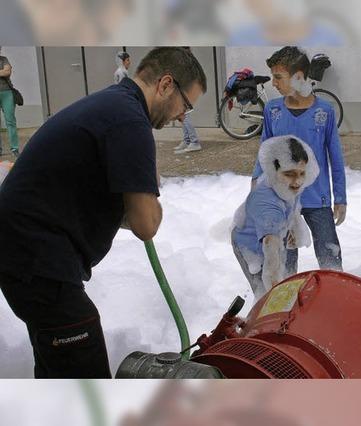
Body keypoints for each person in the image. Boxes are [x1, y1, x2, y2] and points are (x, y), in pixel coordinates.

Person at [0, 47, 207, 378]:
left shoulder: (114, 105)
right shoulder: (129, 121)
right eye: (187, 104)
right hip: (37, 256)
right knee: (83, 367)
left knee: (60, 365)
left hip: (24, 254)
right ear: (166, 84)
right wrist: (149, 196)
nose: (183, 115)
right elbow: (145, 224)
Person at [252, 46, 347, 274]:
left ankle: (334, 297)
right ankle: (287, 303)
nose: (273, 83)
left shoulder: (324, 111)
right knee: (284, 261)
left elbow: (335, 156)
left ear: (298, 77)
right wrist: (256, 182)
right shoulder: (273, 110)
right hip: (281, 199)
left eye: (278, 77)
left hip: (318, 198)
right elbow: (265, 150)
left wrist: (341, 197)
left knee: (330, 256)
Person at [232, 135, 319, 298]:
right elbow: (271, 257)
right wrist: (276, 293)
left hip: (273, 233)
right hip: (249, 245)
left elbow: (292, 206)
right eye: (290, 174)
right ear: (273, 170)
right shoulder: (267, 205)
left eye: (301, 173)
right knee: (264, 294)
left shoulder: (286, 185)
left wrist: (292, 227)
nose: (298, 181)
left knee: (286, 284)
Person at [0, 46, 20, 158]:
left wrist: (5, 71)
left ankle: (15, 148)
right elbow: (4, 71)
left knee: (10, 121)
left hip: (7, 93)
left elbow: (7, 72)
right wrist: (2, 71)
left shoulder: (4, 59)